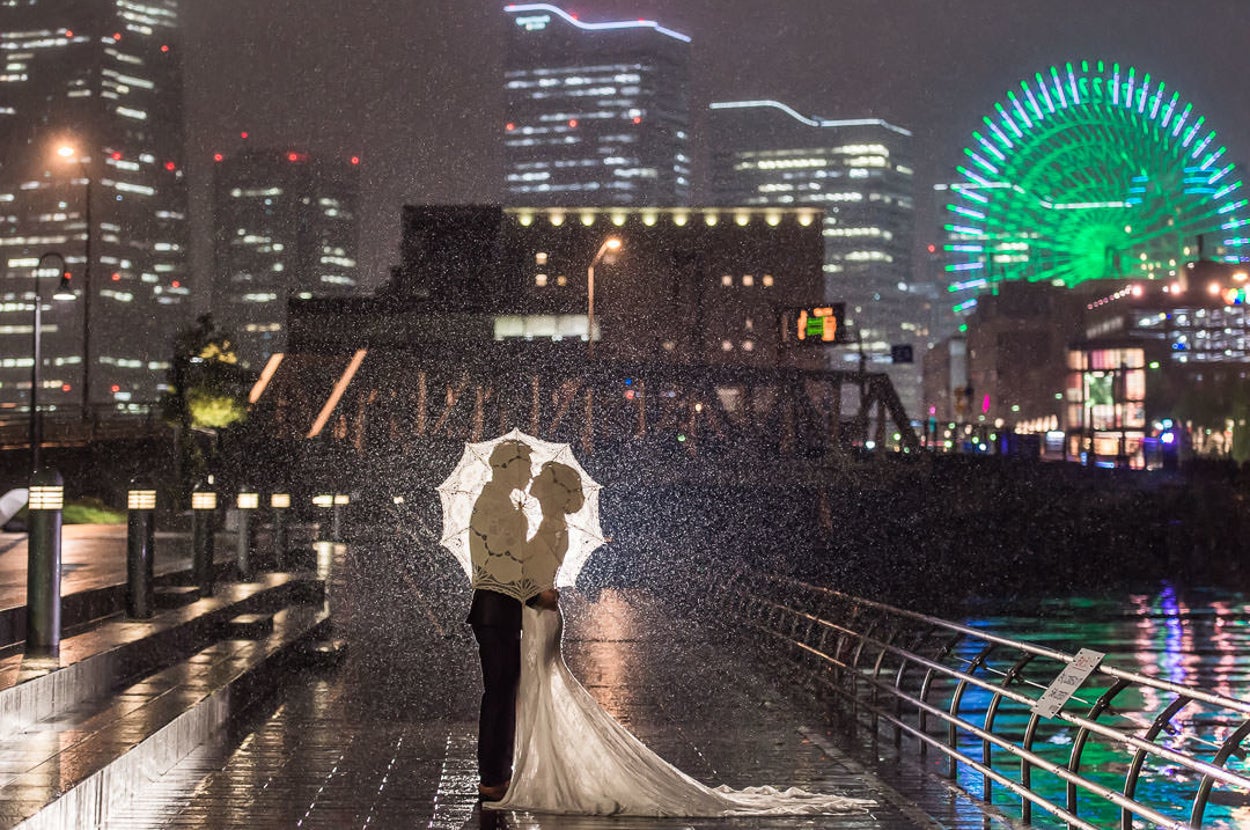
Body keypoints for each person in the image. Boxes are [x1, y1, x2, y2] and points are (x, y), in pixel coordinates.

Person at [485, 461, 874, 817]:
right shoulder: (546, 524)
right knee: (538, 693)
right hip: (537, 619)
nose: (532, 482)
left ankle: (541, 774)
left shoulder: (551, 527)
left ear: (552, 491)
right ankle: (538, 770)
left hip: (540, 616)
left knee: (540, 692)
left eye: (539, 479)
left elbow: (540, 586)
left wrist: (521, 570)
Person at [465, 440, 557, 802]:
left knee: (501, 693)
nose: (530, 474)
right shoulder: (499, 509)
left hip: (494, 611)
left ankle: (496, 773)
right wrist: (537, 597)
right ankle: (493, 776)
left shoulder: (497, 504)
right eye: (526, 467)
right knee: (500, 695)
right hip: (497, 611)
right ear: (505, 468)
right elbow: (505, 568)